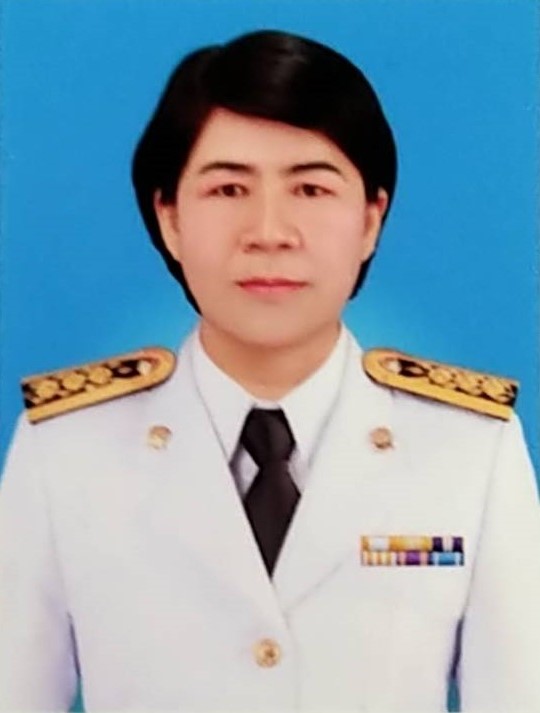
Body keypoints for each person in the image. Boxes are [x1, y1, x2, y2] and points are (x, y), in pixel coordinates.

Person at [1, 29, 539, 713]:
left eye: (311, 188)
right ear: (169, 218)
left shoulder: (470, 450)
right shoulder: (66, 451)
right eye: (228, 188)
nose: (269, 231)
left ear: (370, 219)